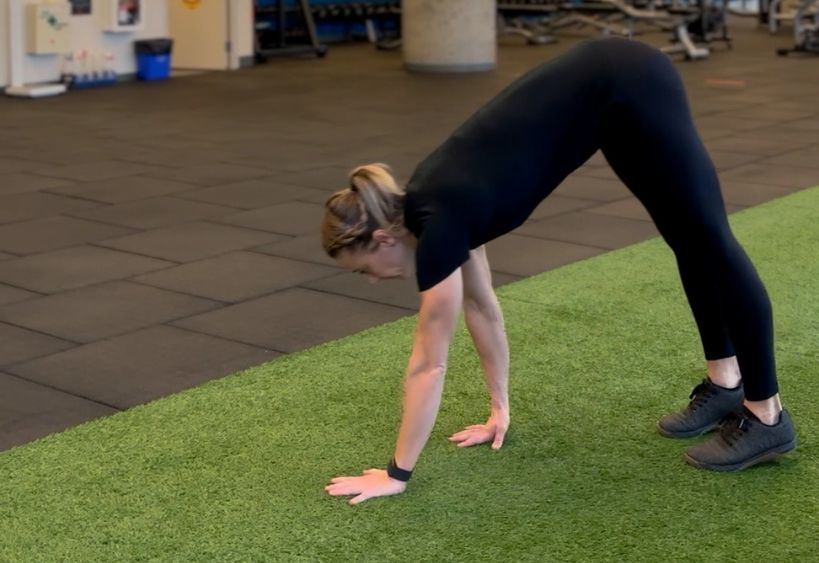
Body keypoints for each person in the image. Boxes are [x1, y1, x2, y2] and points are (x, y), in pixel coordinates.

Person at [321, 37, 797, 506]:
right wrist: (498, 410)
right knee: (686, 238)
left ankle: (766, 416)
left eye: (364, 269)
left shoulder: (439, 226)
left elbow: (429, 363)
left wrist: (396, 474)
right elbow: (483, 309)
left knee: (710, 241)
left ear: (382, 239)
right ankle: (725, 384)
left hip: (630, 80)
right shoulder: (436, 206)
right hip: (612, 103)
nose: (374, 280)